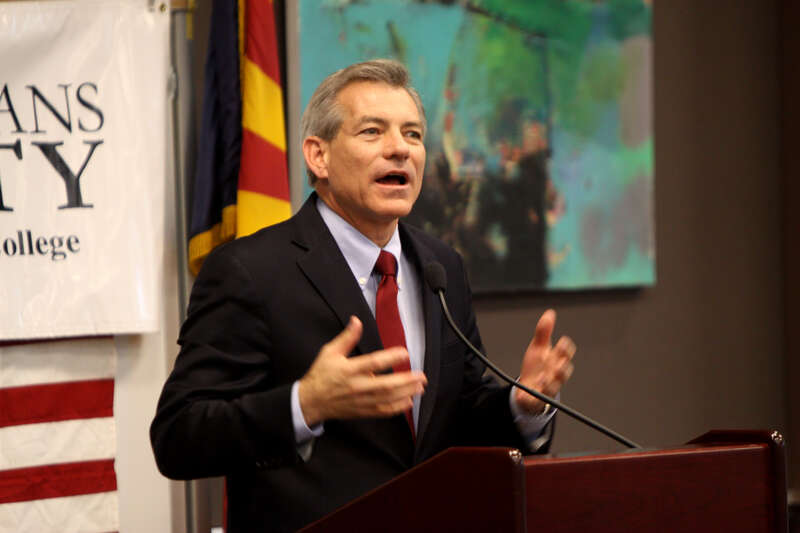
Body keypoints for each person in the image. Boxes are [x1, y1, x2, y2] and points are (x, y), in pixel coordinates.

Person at [150, 59, 576, 533]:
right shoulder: (250, 271)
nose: (400, 150)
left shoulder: (442, 267)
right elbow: (178, 436)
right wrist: (304, 404)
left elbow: (456, 417)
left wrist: (522, 404)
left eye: (413, 134)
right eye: (373, 131)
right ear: (319, 156)